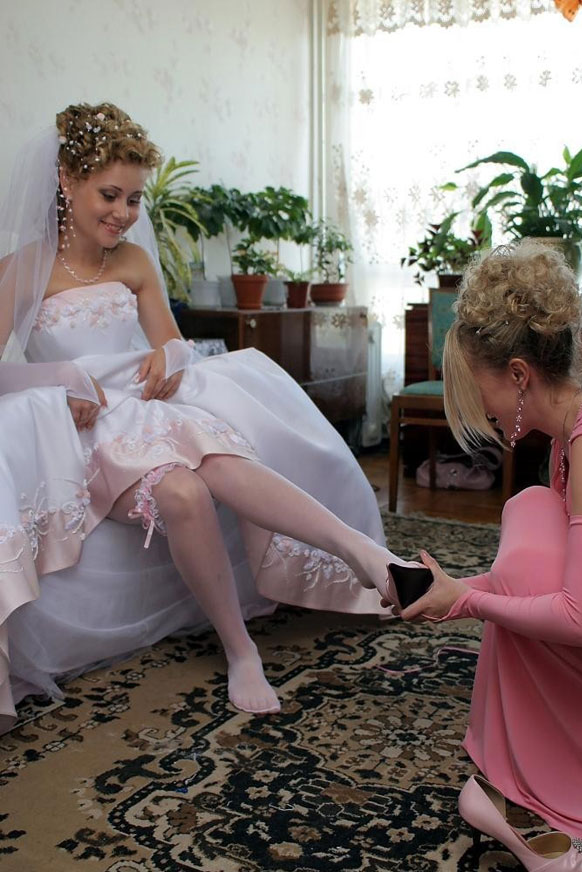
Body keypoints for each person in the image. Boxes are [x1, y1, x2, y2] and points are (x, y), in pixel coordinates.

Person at [0, 101, 405, 730]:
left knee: (209, 464)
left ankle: (363, 555)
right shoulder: (22, 271)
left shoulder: (133, 263)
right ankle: (241, 649)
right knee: (186, 485)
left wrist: (171, 355)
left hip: (145, 410)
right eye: (110, 195)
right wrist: (59, 378)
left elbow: (170, 341)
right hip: (78, 428)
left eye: (135, 199)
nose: (123, 213)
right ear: (66, 180)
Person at [378, 240, 582, 862]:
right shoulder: (570, 435)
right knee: (532, 512)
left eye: (479, 387)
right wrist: (451, 592)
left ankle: (546, 804)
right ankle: (521, 794)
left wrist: (470, 601)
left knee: (528, 524)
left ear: (520, 375)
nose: (479, 407)